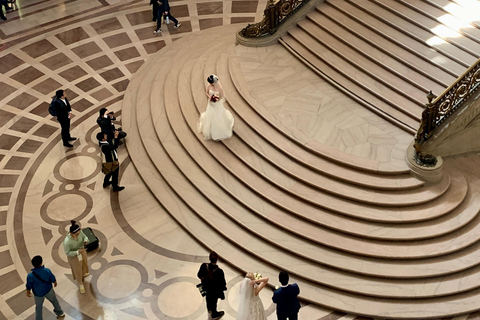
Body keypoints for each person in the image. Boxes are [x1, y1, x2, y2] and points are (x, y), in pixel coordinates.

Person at [26, 255, 65, 320]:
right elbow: (52, 277)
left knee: (39, 307)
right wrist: (54, 282)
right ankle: (60, 312)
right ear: (41, 263)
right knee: (54, 301)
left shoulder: (30, 276)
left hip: (38, 294)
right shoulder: (46, 270)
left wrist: (28, 291)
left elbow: (29, 285)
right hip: (49, 290)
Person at [197, 74, 234, 141]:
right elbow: (206, 92)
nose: (210, 84)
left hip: (217, 103)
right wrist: (210, 98)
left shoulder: (219, 88)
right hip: (211, 103)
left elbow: (222, 96)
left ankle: (218, 131)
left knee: (218, 116)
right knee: (211, 115)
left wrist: (216, 100)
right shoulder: (209, 85)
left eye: (211, 83)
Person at [197, 251, 227, 320]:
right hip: (214, 291)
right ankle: (214, 314)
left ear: (209, 258)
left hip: (206, 289)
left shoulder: (204, 266)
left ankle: (209, 311)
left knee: (208, 300)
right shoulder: (220, 271)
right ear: (217, 259)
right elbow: (223, 284)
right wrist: (223, 289)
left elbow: (199, 275)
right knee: (214, 302)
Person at [63, 220, 90, 294]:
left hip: (82, 251)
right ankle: (80, 283)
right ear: (71, 234)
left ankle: (84, 273)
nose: (79, 235)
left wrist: (85, 240)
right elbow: (68, 253)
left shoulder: (80, 232)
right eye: (77, 234)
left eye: (79, 233)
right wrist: (77, 252)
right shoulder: (67, 242)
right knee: (77, 269)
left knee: (84, 263)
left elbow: (85, 237)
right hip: (74, 256)